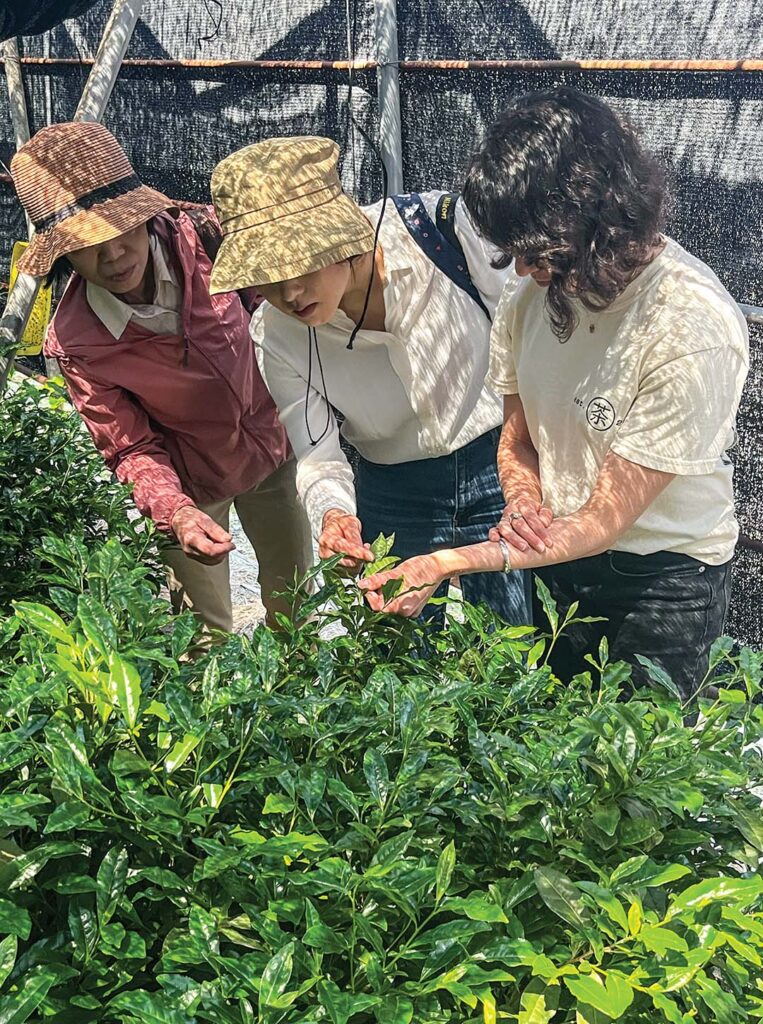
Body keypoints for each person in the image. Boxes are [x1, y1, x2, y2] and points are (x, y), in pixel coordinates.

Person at [360, 87, 749, 702]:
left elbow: (604, 518)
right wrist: (522, 502)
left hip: (662, 578)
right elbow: (517, 440)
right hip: (563, 561)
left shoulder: (690, 328)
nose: (519, 270)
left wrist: (448, 562)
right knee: (557, 745)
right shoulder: (531, 301)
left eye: (536, 253)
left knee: (633, 774)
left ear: (599, 223)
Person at [207, 135, 530, 624]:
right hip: (394, 487)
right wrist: (334, 514)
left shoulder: (443, 233)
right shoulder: (275, 335)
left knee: (512, 642)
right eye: (266, 274)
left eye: (302, 261)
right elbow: (317, 451)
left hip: (502, 462)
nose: (290, 291)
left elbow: (530, 339)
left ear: (340, 235)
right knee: (398, 650)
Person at [11, 122, 313, 631]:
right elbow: (130, 447)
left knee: (296, 604)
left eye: (118, 230)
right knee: (200, 635)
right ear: (62, 254)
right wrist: (176, 512)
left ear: (143, 215)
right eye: (85, 245)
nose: (111, 255)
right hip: (190, 483)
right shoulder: (79, 340)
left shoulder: (210, 241)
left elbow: (280, 320)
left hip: (272, 449)